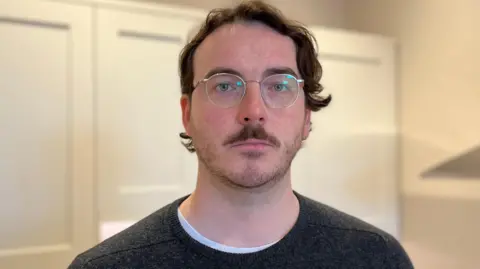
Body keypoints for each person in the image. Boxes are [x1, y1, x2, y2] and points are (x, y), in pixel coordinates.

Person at [68, 1, 414, 268]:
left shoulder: (376, 258)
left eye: (279, 85)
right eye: (225, 85)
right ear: (187, 114)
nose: (253, 109)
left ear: (307, 117)